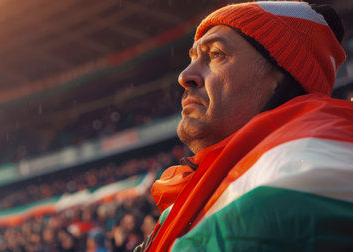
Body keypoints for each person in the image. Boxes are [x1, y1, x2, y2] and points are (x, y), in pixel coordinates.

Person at [135, 1, 353, 251]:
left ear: (279, 76)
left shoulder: (306, 167)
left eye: (216, 54)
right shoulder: (200, 190)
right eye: (193, 58)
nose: (184, 76)